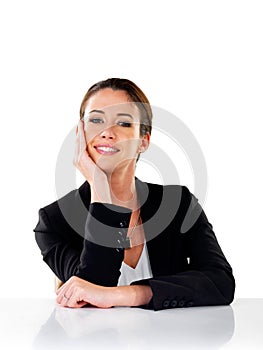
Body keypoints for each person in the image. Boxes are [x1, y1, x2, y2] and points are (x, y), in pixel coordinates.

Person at [34, 78, 235, 311]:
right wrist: (100, 186)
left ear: (144, 141)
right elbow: (91, 290)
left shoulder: (178, 205)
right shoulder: (54, 221)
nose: (107, 132)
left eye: (124, 123)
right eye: (96, 120)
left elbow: (221, 283)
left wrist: (132, 294)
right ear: (81, 134)